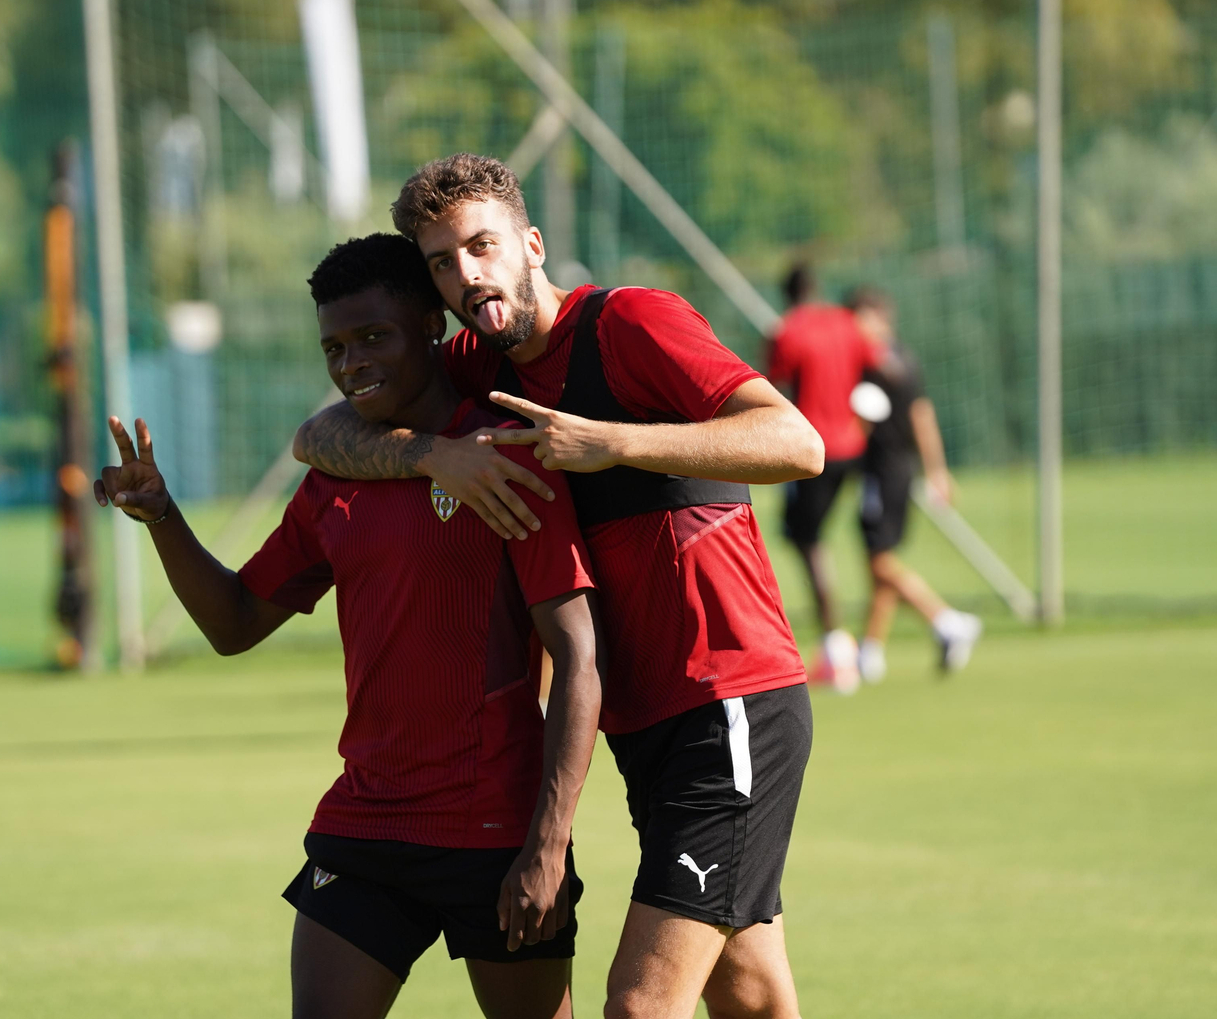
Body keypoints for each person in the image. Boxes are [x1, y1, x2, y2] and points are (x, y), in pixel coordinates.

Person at [292, 154, 824, 1019]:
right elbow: (318, 438)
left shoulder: (631, 323)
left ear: (530, 244)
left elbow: (797, 444)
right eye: (440, 262)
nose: (467, 276)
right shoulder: (473, 365)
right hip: (642, 720)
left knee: (641, 1005)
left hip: (729, 699)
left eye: (481, 246)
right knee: (752, 993)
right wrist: (429, 456)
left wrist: (615, 442)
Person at [94, 233, 602, 1019]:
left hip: (495, 827)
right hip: (367, 819)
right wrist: (163, 518)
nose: (351, 362)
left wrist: (547, 846)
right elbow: (234, 624)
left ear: (434, 328)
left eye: (373, 338)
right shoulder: (338, 473)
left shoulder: (506, 456)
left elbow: (578, 660)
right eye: (334, 346)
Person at [847, 286, 983, 681]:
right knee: (880, 558)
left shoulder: (878, 364)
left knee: (879, 560)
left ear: (876, 317)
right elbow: (923, 414)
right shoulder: (903, 358)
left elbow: (917, 415)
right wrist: (936, 470)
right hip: (898, 470)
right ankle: (869, 652)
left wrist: (937, 470)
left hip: (883, 472)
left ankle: (946, 621)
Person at [764, 263, 879, 694]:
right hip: (854, 447)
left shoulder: (788, 331)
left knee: (807, 542)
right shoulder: (849, 323)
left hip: (812, 453)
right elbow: (875, 369)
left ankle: (837, 652)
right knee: (816, 539)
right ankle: (845, 645)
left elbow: (770, 389)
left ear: (788, 294)